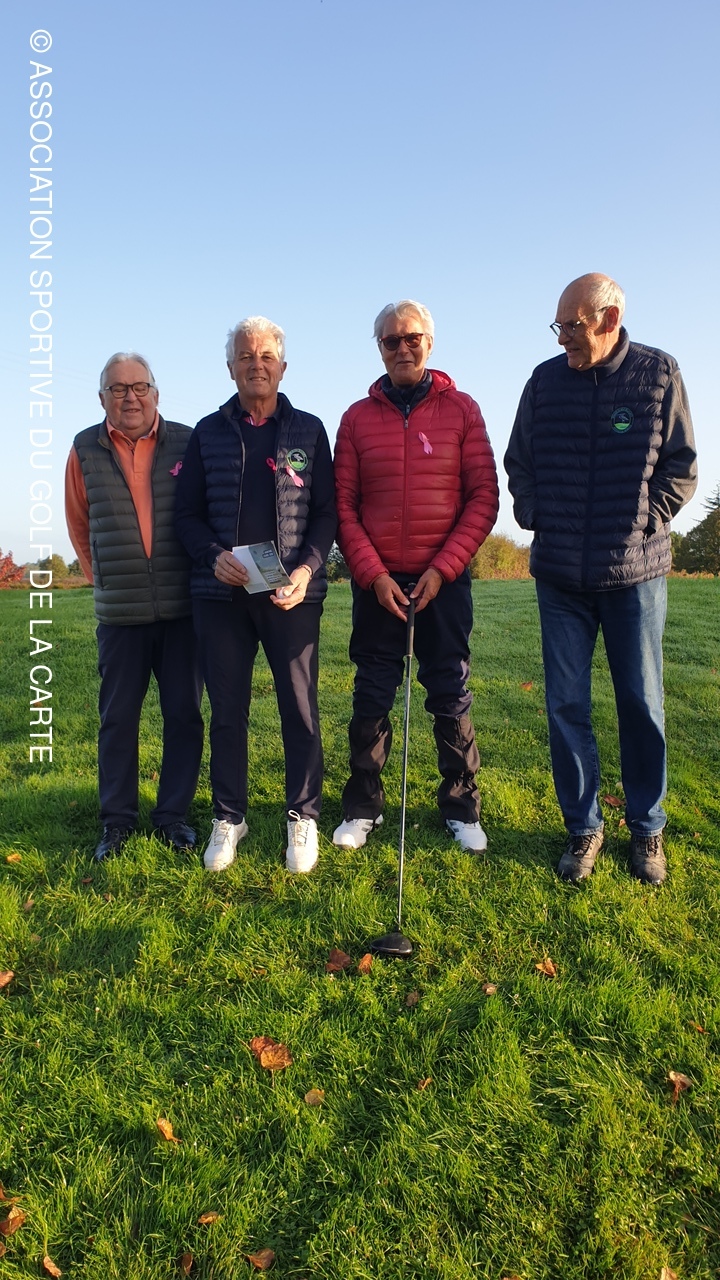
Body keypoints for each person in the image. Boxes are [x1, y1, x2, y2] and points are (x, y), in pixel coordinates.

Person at [504, 273, 697, 885]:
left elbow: (682, 467)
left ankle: (647, 828)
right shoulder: (543, 382)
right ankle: (584, 827)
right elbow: (519, 462)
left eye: (572, 325)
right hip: (561, 576)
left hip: (634, 575)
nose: (562, 337)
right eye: (558, 326)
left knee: (641, 702)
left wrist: (644, 520)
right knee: (566, 705)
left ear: (609, 320)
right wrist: (536, 513)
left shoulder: (659, 373)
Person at [333, 300, 499, 852]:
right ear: (379, 348)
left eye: (412, 338)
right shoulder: (356, 418)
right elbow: (343, 506)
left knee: (449, 691)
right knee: (372, 693)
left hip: (442, 582)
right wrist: (372, 574)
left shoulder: (464, 410)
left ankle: (461, 806)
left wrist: (443, 568)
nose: (402, 348)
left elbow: (483, 497)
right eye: (390, 340)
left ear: (429, 342)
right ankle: (363, 805)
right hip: (377, 583)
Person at [174, 316, 336, 873]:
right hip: (221, 597)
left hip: (290, 595)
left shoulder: (309, 430)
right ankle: (229, 816)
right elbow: (186, 515)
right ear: (230, 368)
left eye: (266, 356)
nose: (256, 365)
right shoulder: (207, 432)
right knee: (227, 711)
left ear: (283, 367)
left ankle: (303, 816)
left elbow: (327, 513)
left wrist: (307, 570)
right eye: (246, 356)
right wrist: (211, 555)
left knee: (299, 707)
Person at [65, 353, 204, 861]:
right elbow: (79, 523)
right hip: (120, 615)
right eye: (118, 388)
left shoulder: (188, 441)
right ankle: (117, 823)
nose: (130, 397)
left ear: (156, 393)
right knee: (118, 720)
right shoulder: (84, 448)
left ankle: (173, 817)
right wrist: (102, 579)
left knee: (184, 715)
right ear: (102, 397)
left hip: (183, 609)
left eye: (139, 387)